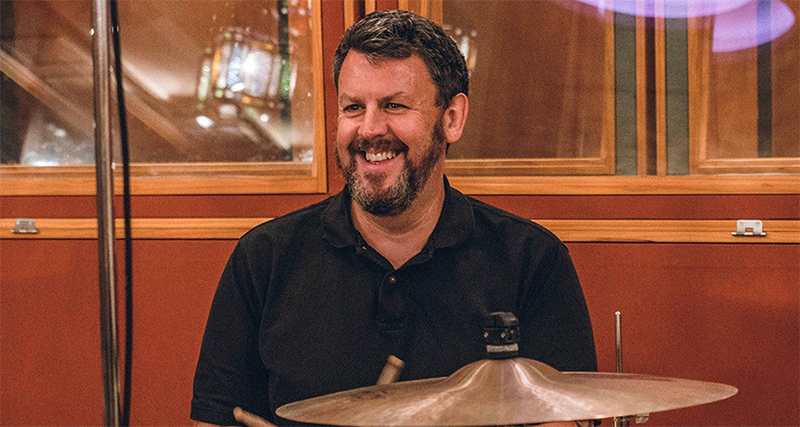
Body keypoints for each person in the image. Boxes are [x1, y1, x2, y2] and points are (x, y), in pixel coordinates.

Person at [192, 9, 597, 427]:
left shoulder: (532, 260)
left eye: (394, 105)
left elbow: (564, 418)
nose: (369, 129)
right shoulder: (264, 258)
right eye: (353, 107)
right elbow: (217, 417)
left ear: (452, 118)